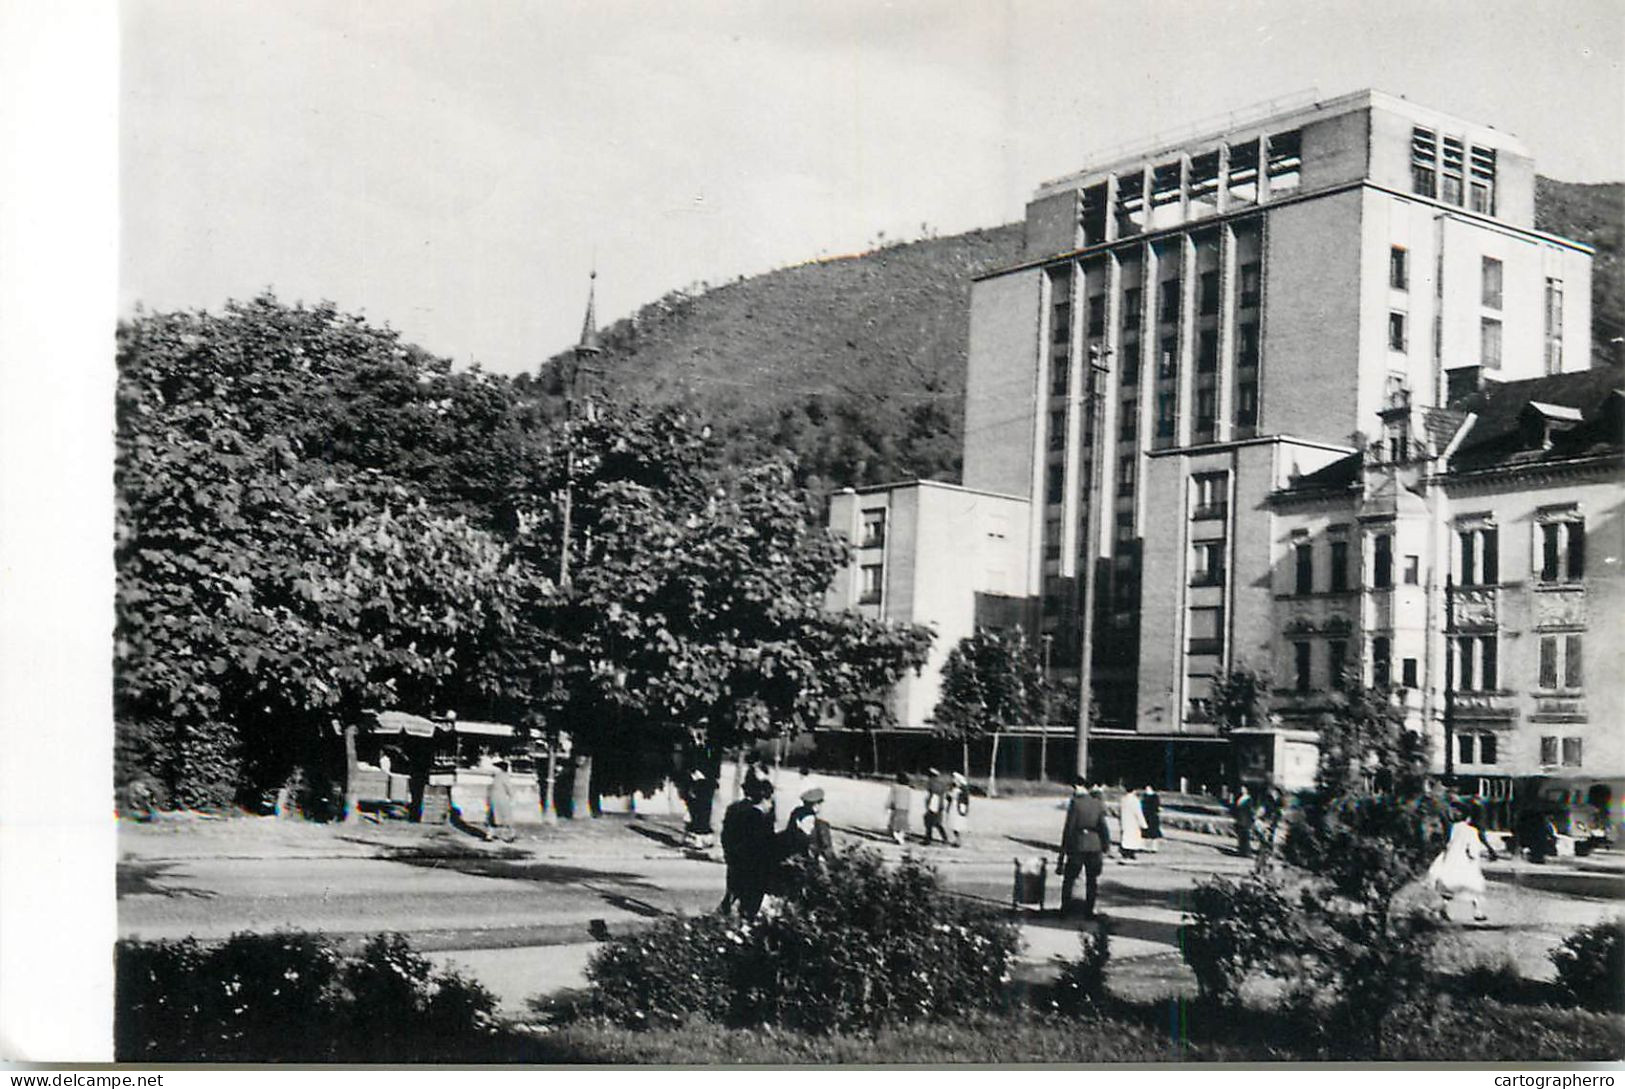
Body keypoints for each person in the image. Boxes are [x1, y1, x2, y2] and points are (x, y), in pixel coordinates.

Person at [719, 778, 777, 918]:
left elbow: (725, 835)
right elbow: (764, 845)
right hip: (752, 866)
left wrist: (728, 853)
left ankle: (726, 917)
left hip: (734, 859)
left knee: (733, 892)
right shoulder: (758, 818)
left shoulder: (734, 809)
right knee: (749, 901)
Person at [1057, 778, 1111, 919]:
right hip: (1095, 845)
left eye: (1074, 788)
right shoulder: (1097, 803)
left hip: (1078, 844)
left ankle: (1065, 909)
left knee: (1069, 879)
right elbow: (1103, 827)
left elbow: (1069, 828)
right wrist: (1105, 846)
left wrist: (1063, 852)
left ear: (1079, 787)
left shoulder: (1076, 803)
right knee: (1092, 880)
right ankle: (1089, 911)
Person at [1428, 807, 1489, 922]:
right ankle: (1478, 912)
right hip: (1464, 863)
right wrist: (1475, 857)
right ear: (1469, 818)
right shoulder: (1471, 831)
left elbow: (1446, 844)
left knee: (1447, 888)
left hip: (1450, 860)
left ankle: (1440, 910)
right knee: (1475, 888)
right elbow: (1473, 849)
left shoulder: (1452, 828)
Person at [780, 787, 834, 863]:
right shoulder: (821, 825)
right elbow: (827, 850)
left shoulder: (796, 814)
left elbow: (788, 834)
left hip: (791, 856)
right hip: (810, 861)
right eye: (820, 804)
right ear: (816, 805)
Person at [683, 768, 716, 849]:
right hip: (704, 778)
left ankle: (700, 839)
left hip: (702, 778)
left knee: (699, 811)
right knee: (702, 810)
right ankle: (705, 838)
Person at [487, 760, 515, 842]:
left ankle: (510, 835)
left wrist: (511, 797)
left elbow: (509, 788)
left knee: (504, 818)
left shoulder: (504, 776)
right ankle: (490, 835)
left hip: (502, 800)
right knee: (493, 817)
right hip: (495, 799)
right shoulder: (497, 776)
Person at [1118, 786, 1148, 861]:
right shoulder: (1135, 800)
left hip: (1125, 820)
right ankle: (1131, 852)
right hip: (1133, 822)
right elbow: (1138, 813)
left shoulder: (1123, 799)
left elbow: (1120, 811)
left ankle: (1126, 852)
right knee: (1133, 838)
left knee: (1126, 837)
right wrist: (1143, 824)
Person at [885, 772, 912, 844]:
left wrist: (888, 805)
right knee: (903, 824)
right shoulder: (908, 788)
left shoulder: (895, 787)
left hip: (897, 807)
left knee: (894, 823)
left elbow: (891, 797)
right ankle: (900, 836)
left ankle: (898, 838)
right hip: (905, 808)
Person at [923, 768, 949, 845]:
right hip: (939, 804)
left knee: (929, 821)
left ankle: (928, 838)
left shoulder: (932, 782)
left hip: (934, 804)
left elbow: (931, 794)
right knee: (936, 822)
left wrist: (928, 804)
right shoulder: (941, 783)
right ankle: (944, 838)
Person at [944, 771, 970, 847]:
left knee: (956, 825)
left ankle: (958, 841)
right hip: (953, 807)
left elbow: (964, 801)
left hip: (957, 809)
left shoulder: (962, 790)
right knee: (953, 825)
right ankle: (957, 840)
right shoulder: (954, 789)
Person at [1232, 784, 1256, 858]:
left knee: (1245, 837)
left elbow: (1250, 811)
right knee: (1240, 836)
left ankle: (1247, 852)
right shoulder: (1239, 798)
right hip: (1239, 819)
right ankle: (1241, 851)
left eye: (1243, 789)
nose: (1242, 790)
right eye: (1241, 789)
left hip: (1246, 820)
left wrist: (1252, 820)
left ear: (1246, 790)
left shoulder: (1249, 799)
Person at [1141, 785, 1162, 851]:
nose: (1146, 789)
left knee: (1154, 833)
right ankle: (1143, 846)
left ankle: (1154, 847)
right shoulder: (1144, 796)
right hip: (1146, 816)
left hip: (1153, 817)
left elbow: (1157, 806)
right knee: (1144, 833)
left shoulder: (1155, 797)